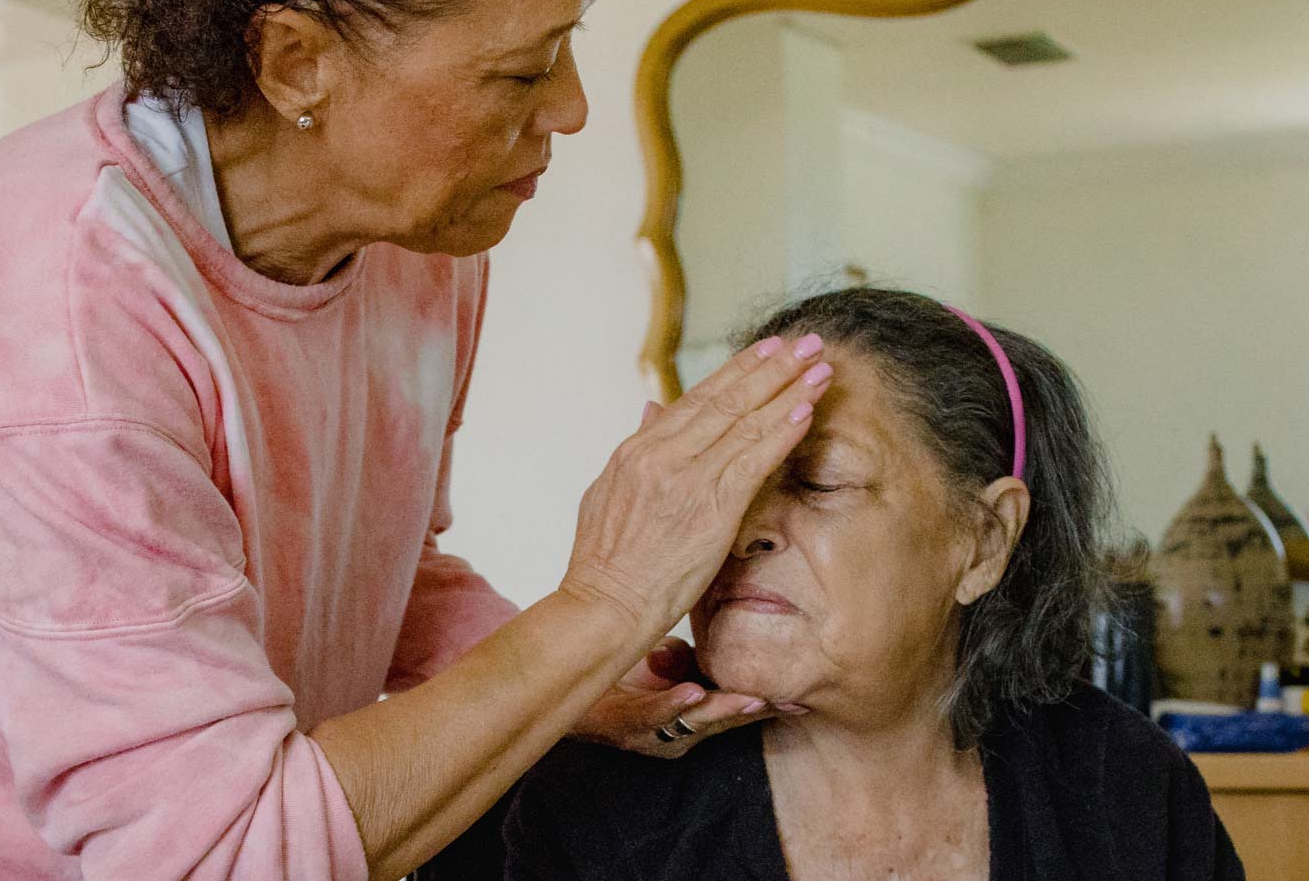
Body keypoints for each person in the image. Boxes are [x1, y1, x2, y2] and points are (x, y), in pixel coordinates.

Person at [0, 0, 834, 879]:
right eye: (520, 69)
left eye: (567, 45)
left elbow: (376, 569)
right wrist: (600, 604)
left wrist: (579, 676)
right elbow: (219, 851)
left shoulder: (419, 239)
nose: (571, 109)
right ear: (298, 61)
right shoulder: (62, 316)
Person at [490, 287, 1244, 881]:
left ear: (982, 541)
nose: (742, 529)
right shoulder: (589, 805)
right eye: (732, 479)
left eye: (817, 481)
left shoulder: (1127, 792)